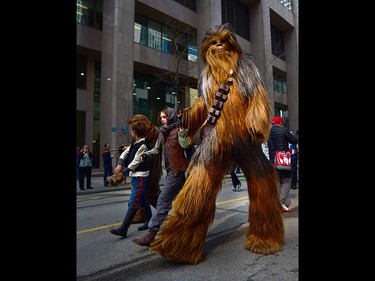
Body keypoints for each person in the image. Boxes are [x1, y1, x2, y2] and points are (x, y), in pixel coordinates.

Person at [131, 106, 191, 247]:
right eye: (161, 117)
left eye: (165, 117)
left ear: (170, 117)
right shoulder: (162, 133)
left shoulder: (178, 130)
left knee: (162, 201)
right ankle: (186, 227)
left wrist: (182, 132)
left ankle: (150, 234)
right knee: (183, 202)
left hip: (178, 171)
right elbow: (156, 150)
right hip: (169, 172)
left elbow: (186, 145)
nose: (162, 120)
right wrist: (145, 155)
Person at [109, 120, 153, 237]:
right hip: (136, 176)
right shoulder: (135, 142)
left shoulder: (143, 145)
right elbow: (125, 153)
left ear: (134, 132)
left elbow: (136, 162)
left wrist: (123, 173)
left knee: (133, 201)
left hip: (141, 176)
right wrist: (119, 163)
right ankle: (149, 221)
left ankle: (124, 228)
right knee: (142, 199)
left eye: (131, 131)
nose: (131, 132)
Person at [267, 116, 298, 212]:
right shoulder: (284, 130)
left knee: (277, 181)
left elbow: (269, 147)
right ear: (281, 123)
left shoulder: (269, 133)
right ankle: (282, 202)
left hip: (273, 160)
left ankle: (276, 203)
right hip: (283, 159)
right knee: (287, 180)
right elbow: (294, 140)